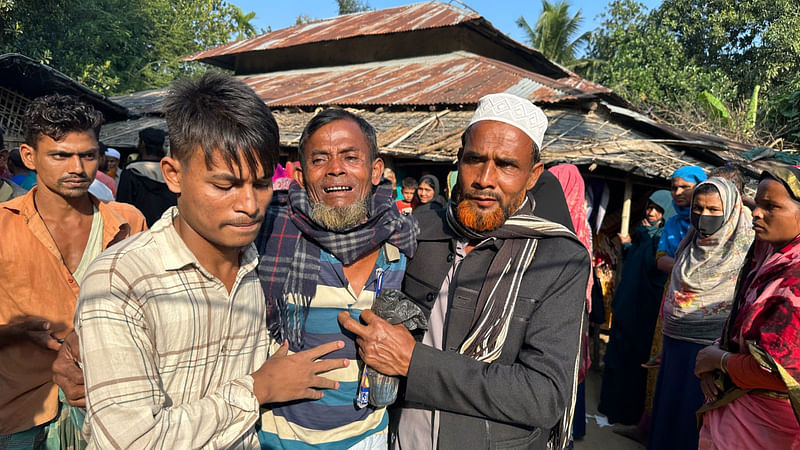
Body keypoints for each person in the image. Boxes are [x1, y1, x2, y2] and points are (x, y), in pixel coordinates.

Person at [69, 72, 349, 448]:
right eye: (224, 185)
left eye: (261, 184)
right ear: (174, 175)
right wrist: (257, 389)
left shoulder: (261, 260)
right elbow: (131, 441)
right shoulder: (123, 280)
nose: (249, 206)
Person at [338, 93, 590, 449]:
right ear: (458, 162)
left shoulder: (558, 259)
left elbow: (543, 395)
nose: (485, 179)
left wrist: (415, 363)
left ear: (533, 175)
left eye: (506, 165)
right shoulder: (424, 229)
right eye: (475, 160)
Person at [255, 108, 419, 448]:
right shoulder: (270, 237)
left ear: (375, 171)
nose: (335, 170)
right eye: (320, 160)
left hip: (369, 437)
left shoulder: (403, 240)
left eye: (350, 157)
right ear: (300, 176)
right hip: (279, 438)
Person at [0, 94, 147, 447]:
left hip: (109, 407)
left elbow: (150, 313)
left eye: (88, 155)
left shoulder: (127, 223)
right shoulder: (3, 226)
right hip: (22, 409)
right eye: (60, 155)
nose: (77, 169)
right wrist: (16, 332)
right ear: (29, 156)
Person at [694, 167, 800, 450]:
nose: (756, 213)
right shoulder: (769, 261)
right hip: (741, 405)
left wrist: (718, 360)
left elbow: (780, 371)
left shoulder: (795, 277)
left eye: (771, 206)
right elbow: (743, 324)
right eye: (757, 204)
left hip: (771, 424)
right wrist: (716, 359)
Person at [648, 177, 754, 450]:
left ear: (730, 210)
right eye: (698, 208)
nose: (703, 216)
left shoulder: (746, 250)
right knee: (667, 415)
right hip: (674, 344)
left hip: (711, 352)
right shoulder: (690, 243)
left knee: (692, 423)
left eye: (713, 210)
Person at [599, 190, 675, 426]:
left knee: (634, 362)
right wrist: (631, 245)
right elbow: (636, 264)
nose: (651, 212)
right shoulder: (645, 235)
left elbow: (654, 271)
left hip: (644, 312)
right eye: (649, 206)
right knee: (618, 356)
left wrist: (647, 238)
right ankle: (610, 406)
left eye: (658, 209)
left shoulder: (664, 239)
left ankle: (628, 414)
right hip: (627, 305)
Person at [549, 163, 594, 442]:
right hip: (576, 309)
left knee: (561, 364)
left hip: (566, 309)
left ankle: (563, 429)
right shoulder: (580, 223)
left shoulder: (564, 224)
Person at [116, 127, 177, 226]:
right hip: (169, 228)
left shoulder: (131, 172)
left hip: (139, 232)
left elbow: (122, 207)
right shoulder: (172, 172)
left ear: (142, 144)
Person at [656, 166, 708, 274]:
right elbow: (661, 260)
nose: (678, 192)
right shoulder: (672, 223)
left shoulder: (711, 221)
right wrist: (689, 272)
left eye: (685, 187)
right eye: (674, 188)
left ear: (700, 188)